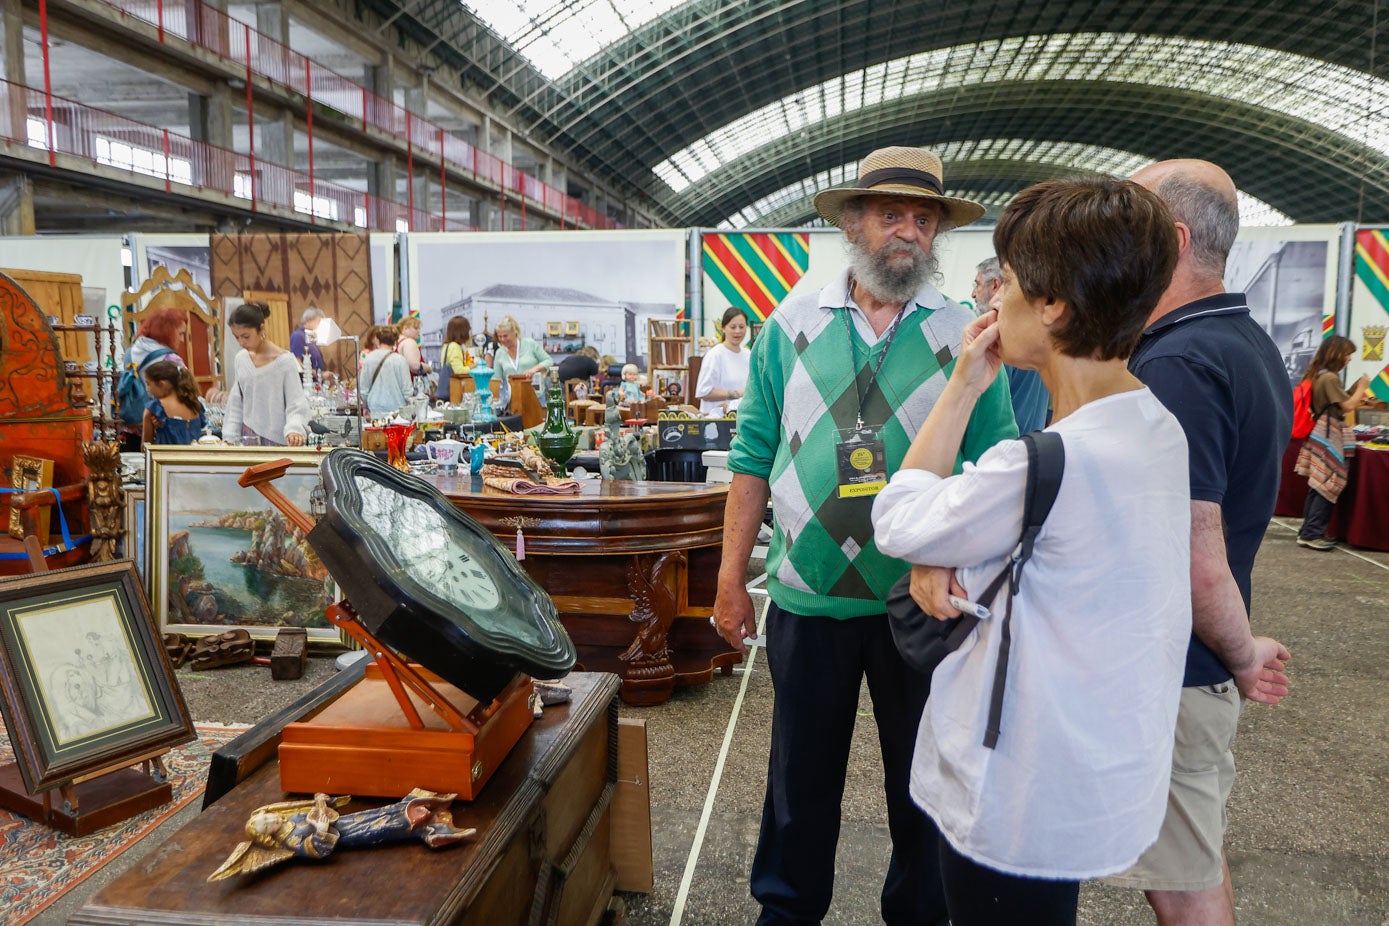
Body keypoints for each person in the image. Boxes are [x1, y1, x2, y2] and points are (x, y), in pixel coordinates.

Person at [712, 145, 1017, 926]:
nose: (907, 232)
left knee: (920, 781)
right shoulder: (788, 326)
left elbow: (995, 470)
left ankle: (918, 915)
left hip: (918, 599)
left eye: (923, 218)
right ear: (853, 223)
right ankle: (785, 911)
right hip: (806, 596)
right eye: (890, 215)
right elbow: (750, 459)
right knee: (797, 780)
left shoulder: (966, 335)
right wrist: (726, 582)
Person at [872, 177, 1190, 925]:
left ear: (1052, 305)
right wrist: (949, 556)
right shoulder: (1153, 427)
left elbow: (899, 518)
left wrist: (960, 388)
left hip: (1014, 788)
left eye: (1006, 283)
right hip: (1088, 770)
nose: (991, 304)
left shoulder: (1043, 462)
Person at [1108, 159, 1293, 925]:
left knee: (1180, 882)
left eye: (1130, 225)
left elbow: (1192, 541)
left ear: (1173, 240)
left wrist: (1241, 649)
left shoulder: (1178, 361)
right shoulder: (1237, 342)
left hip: (1179, 666)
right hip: (1191, 662)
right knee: (1193, 855)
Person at [1293, 335, 1370, 550]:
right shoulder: (1330, 379)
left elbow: (1340, 400)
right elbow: (1347, 406)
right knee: (1328, 483)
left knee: (1318, 484)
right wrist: (1362, 387)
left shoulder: (1322, 376)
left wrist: (1354, 388)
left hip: (1322, 431)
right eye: (1347, 355)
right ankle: (1312, 533)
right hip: (1329, 433)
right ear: (1337, 354)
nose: (1349, 359)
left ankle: (1308, 531)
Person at [972, 257, 1050, 432]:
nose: (973, 294)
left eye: (977, 285)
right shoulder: (1038, 340)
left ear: (995, 285)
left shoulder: (1000, 340)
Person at [221, 302, 308, 446]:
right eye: (236, 337)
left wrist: (294, 429)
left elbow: (296, 403)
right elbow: (236, 401)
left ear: (261, 329)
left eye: (246, 336)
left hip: (278, 438)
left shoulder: (284, 361)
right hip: (247, 437)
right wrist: (230, 436)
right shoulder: (241, 359)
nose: (241, 342)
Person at [694, 307, 752, 414]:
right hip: (716, 421)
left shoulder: (748, 355)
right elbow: (703, 392)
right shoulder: (715, 355)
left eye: (741, 327)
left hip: (741, 419)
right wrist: (738, 393)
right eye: (733, 327)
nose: (737, 331)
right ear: (723, 329)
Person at [141, 360, 205, 445]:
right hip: (194, 457)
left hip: (165, 458)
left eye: (148, 384)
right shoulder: (195, 405)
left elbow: (146, 448)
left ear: (162, 384)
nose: (147, 389)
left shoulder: (155, 409)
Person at [361, 325, 413, 417]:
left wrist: (365, 405)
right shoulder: (400, 360)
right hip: (397, 411)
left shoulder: (369, 358)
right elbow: (407, 390)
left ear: (377, 338)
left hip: (375, 410)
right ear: (395, 340)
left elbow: (364, 389)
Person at [487, 315, 553, 379]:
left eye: (505, 336)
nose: (502, 339)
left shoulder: (530, 344)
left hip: (533, 389)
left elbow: (548, 361)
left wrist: (534, 369)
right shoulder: (499, 352)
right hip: (511, 390)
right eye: (500, 336)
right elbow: (496, 379)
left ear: (515, 332)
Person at [435, 315, 474, 401]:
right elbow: (459, 371)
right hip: (453, 393)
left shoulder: (447, 345)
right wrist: (472, 367)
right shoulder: (454, 347)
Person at [289, 307, 325, 374]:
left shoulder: (311, 337)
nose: (320, 325)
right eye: (319, 322)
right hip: (307, 382)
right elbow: (297, 363)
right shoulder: (298, 336)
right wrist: (317, 374)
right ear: (308, 320)